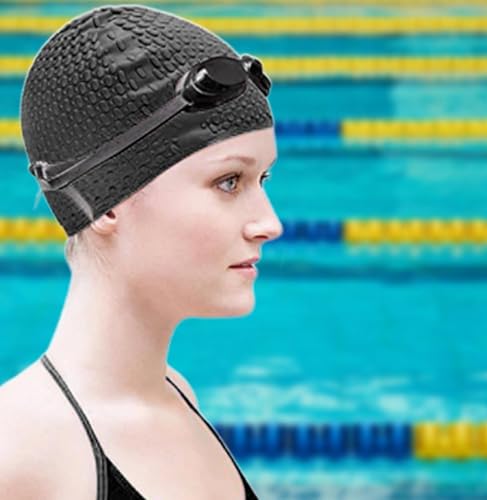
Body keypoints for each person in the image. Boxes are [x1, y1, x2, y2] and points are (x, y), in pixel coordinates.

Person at [0, 5, 283, 499]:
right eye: (228, 181)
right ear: (106, 202)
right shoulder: (20, 450)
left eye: (263, 178)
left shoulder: (176, 393)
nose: (269, 224)